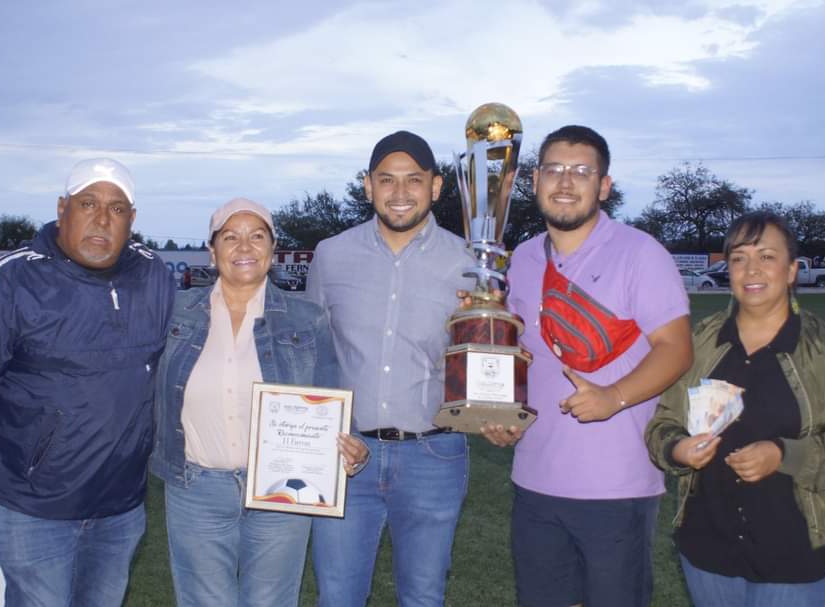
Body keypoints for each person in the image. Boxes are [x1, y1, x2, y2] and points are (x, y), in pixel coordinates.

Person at [0, 158, 174, 607]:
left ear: (131, 220)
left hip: (121, 504)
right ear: (62, 209)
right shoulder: (10, 280)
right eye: (88, 203)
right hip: (33, 507)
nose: (101, 219)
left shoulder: (154, 275)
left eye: (116, 209)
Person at [480, 125, 693, 607]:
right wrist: (501, 414)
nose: (566, 182)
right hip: (535, 477)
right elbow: (519, 356)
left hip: (616, 484)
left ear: (604, 186)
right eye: (554, 169)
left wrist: (613, 396)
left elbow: (677, 349)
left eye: (582, 171)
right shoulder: (521, 260)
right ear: (534, 181)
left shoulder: (641, 253)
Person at [645, 211, 825, 607]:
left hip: (796, 556)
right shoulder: (701, 342)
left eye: (767, 256)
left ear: (791, 271)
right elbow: (663, 422)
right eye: (739, 258)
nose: (751, 269)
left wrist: (785, 455)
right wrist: (677, 449)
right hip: (709, 552)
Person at [150, 197, 368, 606]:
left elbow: (333, 393)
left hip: (281, 490)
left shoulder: (307, 318)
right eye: (231, 237)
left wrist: (351, 444)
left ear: (272, 250)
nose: (244, 247)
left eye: (257, 236)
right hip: (195, 487)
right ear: (213, 252)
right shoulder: (174, 313)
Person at [306, 130, 473, 606]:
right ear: (367, 186)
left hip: (433, 456)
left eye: (413, 180)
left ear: (436, 187)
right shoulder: (331, 254)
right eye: (387, 180)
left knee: (423, 597)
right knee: (337, 596)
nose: (400, 193)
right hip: (344, 455)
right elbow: (314, 351)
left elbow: (485, 360)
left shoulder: (469, 263)